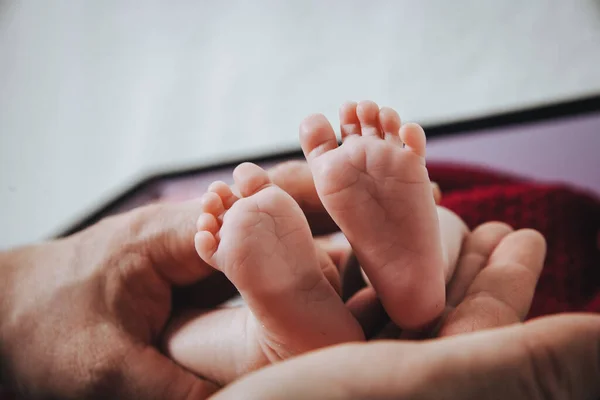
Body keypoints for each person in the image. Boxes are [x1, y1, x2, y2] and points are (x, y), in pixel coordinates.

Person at [0, 144, 597, 399]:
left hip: (231, 324)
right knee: (451, 228)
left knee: (182, 338)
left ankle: (268, 342)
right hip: (338, 262)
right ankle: (418, 275)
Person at [163, 101, 469, 384]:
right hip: (341, 268)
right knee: (445, 219)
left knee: (177, 335)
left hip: (325, 275)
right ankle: (425, 283)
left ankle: (269, 345)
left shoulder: (197, 212)